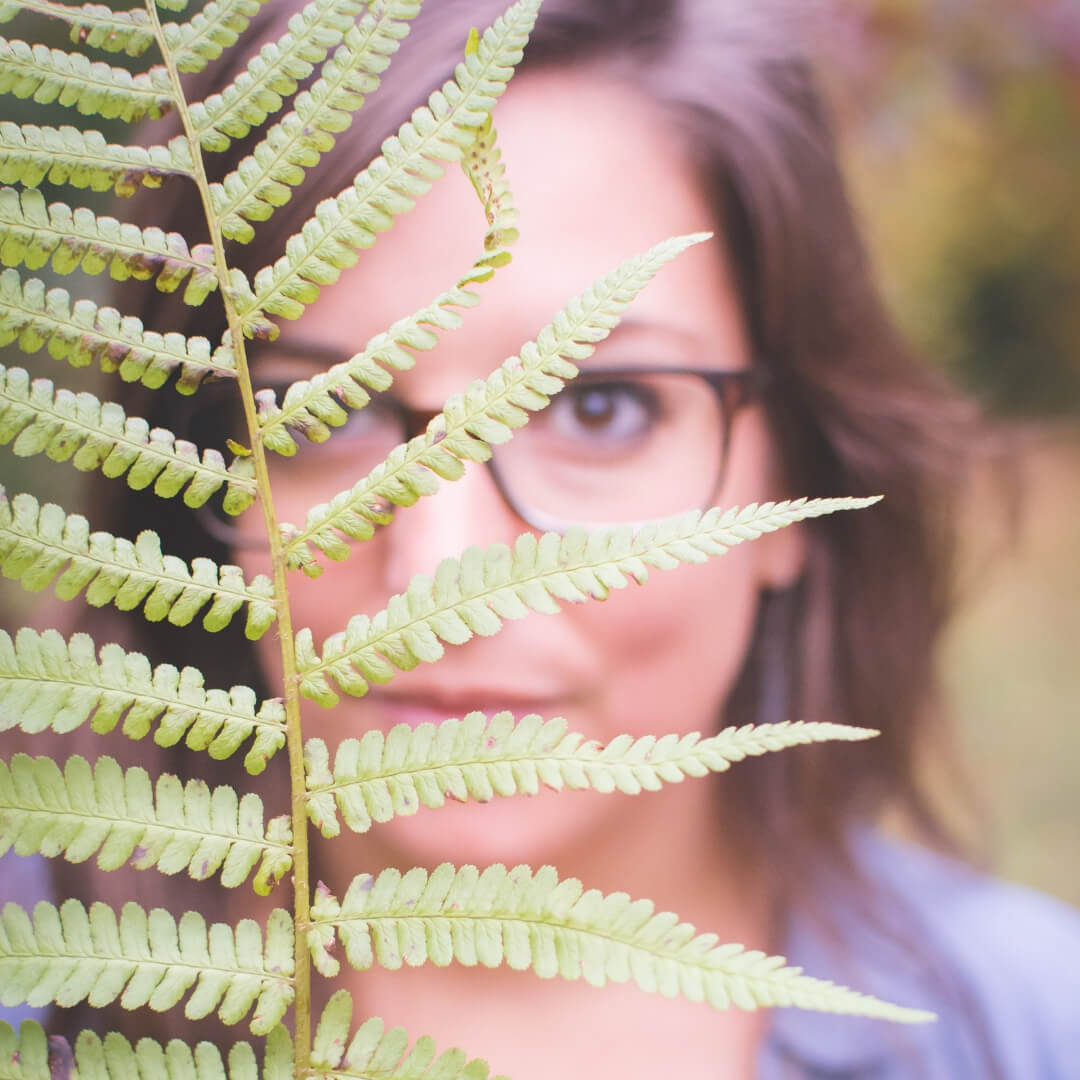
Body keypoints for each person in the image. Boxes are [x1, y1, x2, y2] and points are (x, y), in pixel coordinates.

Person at [10, 1, 1079, 1077]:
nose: (440, 568)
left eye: (600, 408)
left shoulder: (1032, 1030)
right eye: (324, 413)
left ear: (794, 472)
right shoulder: (35, 984)